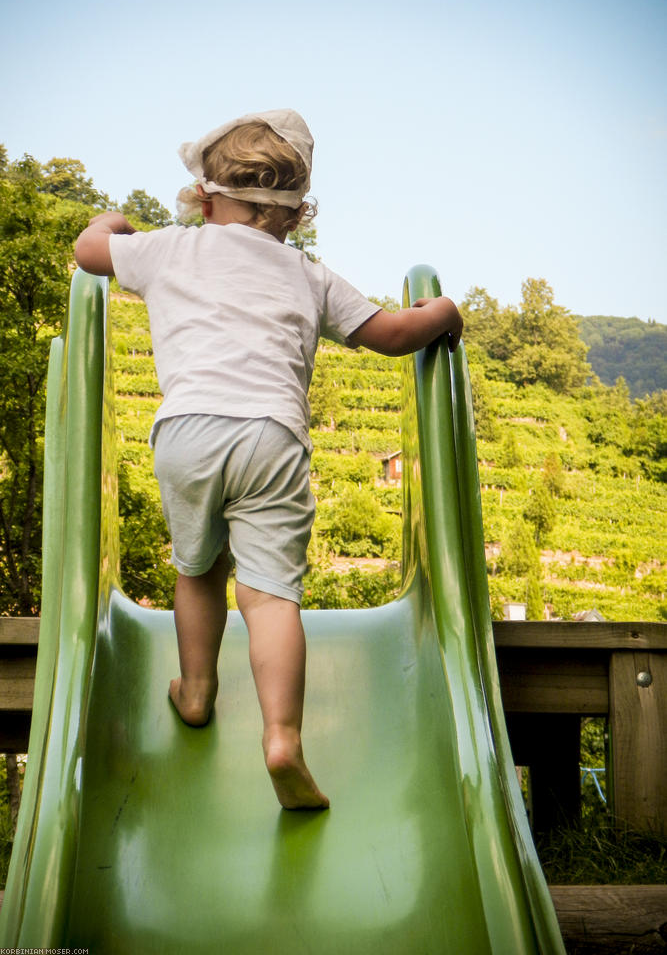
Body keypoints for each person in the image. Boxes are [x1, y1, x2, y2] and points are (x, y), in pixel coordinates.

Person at [75, 109, 463, 810]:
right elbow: (395, 334)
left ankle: (195, 694)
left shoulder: (169, 248)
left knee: (197, 570)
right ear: (295, 213)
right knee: (269, 594)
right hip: (272, 437)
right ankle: (281, 737)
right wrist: (443, 313)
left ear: (203, 196)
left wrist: (110, 222)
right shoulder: (307, 273)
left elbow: (87, 252)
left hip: (186, 433)